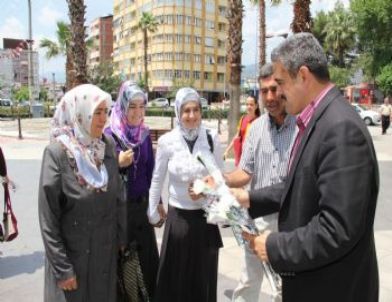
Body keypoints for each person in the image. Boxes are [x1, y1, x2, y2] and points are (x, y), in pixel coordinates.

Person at [232, 33, 379, 302]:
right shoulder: (317, 119)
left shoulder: (340, 128)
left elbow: (337, 228)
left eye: (280, 83)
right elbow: (299, 185)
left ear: (302, 75)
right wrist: (248, 198)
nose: (277, 93)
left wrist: (275, 246)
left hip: (333, 290)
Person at [38, 84, 126, 302]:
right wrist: (62, 269)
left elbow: (118, 198)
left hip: (103, 261)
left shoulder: (106, 146)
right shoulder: (57, 153)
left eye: (106, 112)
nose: (103, 119)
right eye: (97, 112)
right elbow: (48, 219)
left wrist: (120, 241)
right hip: (72, 265)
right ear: (78, 113)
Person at [224, 64, 296, 302]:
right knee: (248, 281)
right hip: (258, 219)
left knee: (284, 287)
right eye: (264, 91)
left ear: (284, 87)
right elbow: (245, 171)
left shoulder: (301, 127)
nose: (270, 97)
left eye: (274, 89)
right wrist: (222, 180)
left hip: (291, 221)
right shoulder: (255, 129)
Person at [148, 87, 224, 302]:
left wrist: (205, 190)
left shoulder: (211, 138)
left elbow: (220, 179)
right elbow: (157, 179)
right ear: (178, 113)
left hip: (205, 221)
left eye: (196, 110)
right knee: (175, 282)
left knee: (202, 281)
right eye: (186, 110)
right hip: (178, 222)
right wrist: (152, 211)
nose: (191, 116)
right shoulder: (167, 142)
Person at [104, 81, 162, 300]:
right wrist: (116, 163)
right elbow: (97, 177)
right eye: (132, 106)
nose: (138, 112)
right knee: (124, 262)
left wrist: (158, 202)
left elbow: (151, 172)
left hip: (141, 207)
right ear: (122, 106)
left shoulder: (144, 135)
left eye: (141, 106)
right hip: (120, 211)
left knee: (146, 261)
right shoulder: (109, 136)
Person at [224, 95, 260, 166]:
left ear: (256, 106)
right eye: (247, 104)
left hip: (253, 159)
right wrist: (227, 150)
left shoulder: (260, 121)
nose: (249, 107)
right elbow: (237, 135)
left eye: (251, 105)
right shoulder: (243, 119)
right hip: (241, 156)